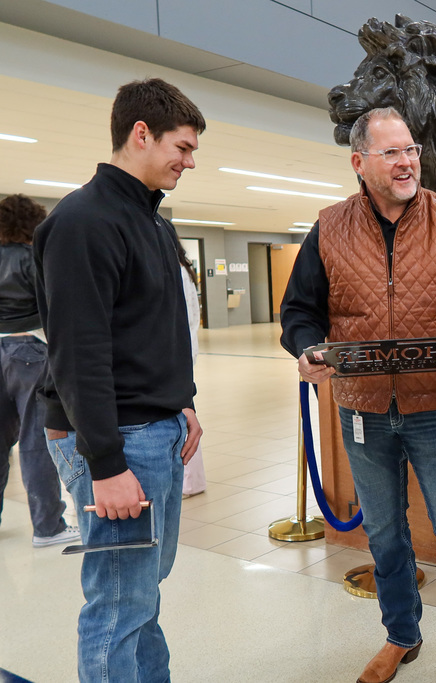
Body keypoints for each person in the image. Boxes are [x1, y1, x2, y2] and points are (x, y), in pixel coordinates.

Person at [280, 106, 436, 683]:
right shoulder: (329, 227)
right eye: (392, 152)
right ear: (359, 162)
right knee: (384, 534)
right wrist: (307, 350)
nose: (408, 161)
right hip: (361, 410)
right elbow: (299, 311)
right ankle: (400, 635)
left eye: (411, 149)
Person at [34, 78, 205, 682]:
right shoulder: (84, 221)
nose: (189, 162)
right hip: (117, 439)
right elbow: (78, 352)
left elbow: (152, 327)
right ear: (141, 134)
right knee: (117, 604)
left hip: (155, 426)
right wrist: (105, 465)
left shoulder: (151, 220)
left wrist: (182, 402)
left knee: (142, 591)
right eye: (182, 148)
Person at [0, 194, 80, 547]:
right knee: (36, 442)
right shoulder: (35, 259)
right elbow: (56, 306)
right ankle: (48, 526)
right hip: (30, 352)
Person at [176, 240, 206, 497]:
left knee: (185, 417)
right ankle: (193, 481)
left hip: (178, 350)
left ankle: (190, 481)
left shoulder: (174, 270)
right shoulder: (184, 269)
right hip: (185, 348)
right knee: (187, 415)